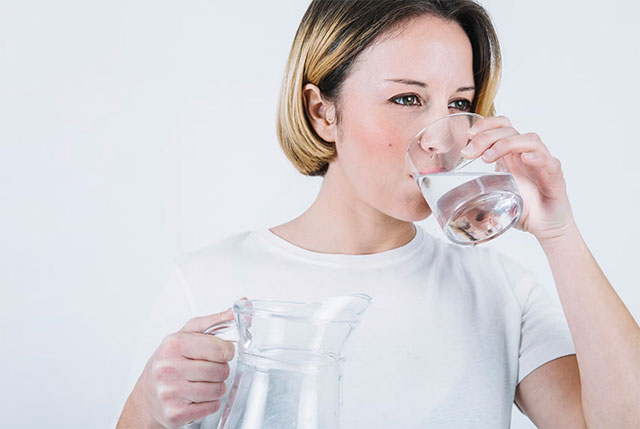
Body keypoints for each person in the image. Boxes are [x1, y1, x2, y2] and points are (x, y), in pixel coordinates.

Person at [116, 1, 640, 428]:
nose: (440, 137)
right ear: (324, 113)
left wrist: (559, 231)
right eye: (408, 98)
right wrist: (146, 409)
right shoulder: (205, 283)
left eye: (459, 104)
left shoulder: (502, 291)